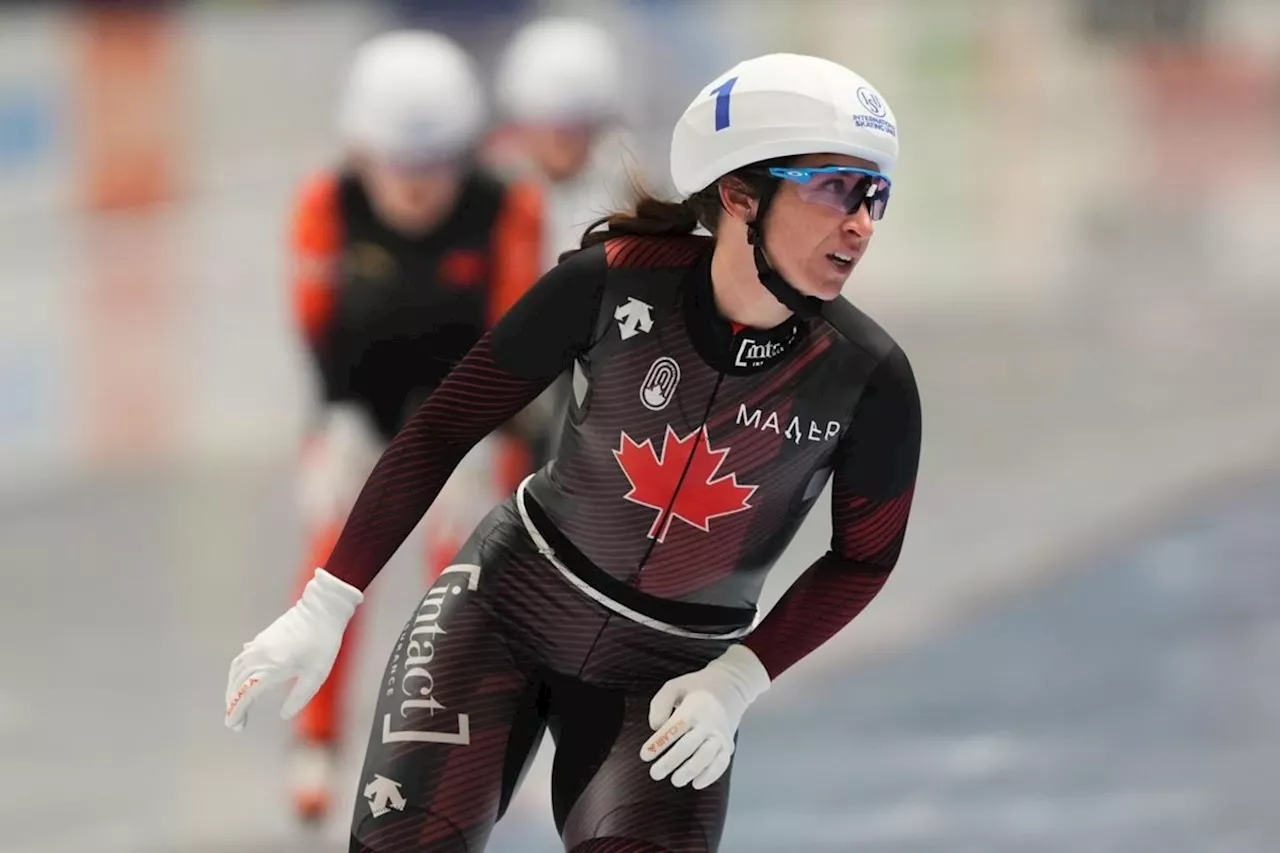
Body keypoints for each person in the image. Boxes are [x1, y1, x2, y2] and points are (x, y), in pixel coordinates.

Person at [227, 51, 922, 853]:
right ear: (739, 194)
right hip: (503, 610)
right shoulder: (613, 282)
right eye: (835, 187)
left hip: (666, 677)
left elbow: (862, 559)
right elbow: (443, 427)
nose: (862, 223)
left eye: (876, 195)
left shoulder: (867, 379)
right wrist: (329, 600)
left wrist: (741, 676)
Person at [283, 28, 548, 822]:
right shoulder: (325, 202)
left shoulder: (510, 205)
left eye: (434, 167)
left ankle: (459, 745)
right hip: (361, 407)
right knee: (333, 564)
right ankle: (317, 739)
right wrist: (331, 426)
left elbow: (516, 331)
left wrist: (499, 435)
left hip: (466, 412)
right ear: (362, 151)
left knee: (465, 579)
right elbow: (317, 327)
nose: (417, 189)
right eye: (399, 167)